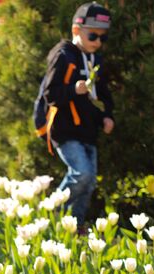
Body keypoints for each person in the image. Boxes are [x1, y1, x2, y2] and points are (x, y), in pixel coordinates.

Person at [43, 3, 115, 234]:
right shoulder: (64, 56)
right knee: (81, 173)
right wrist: (74, 90)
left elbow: (103, 93)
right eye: (92, 35)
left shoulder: (96, 60)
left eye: (102, 37)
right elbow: (50, 94)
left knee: (90, 181)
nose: (97, 41)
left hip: (88, 129)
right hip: (65, 129)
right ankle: (51, 211)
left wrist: (107, 116)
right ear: (76, 30)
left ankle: (75, 223)